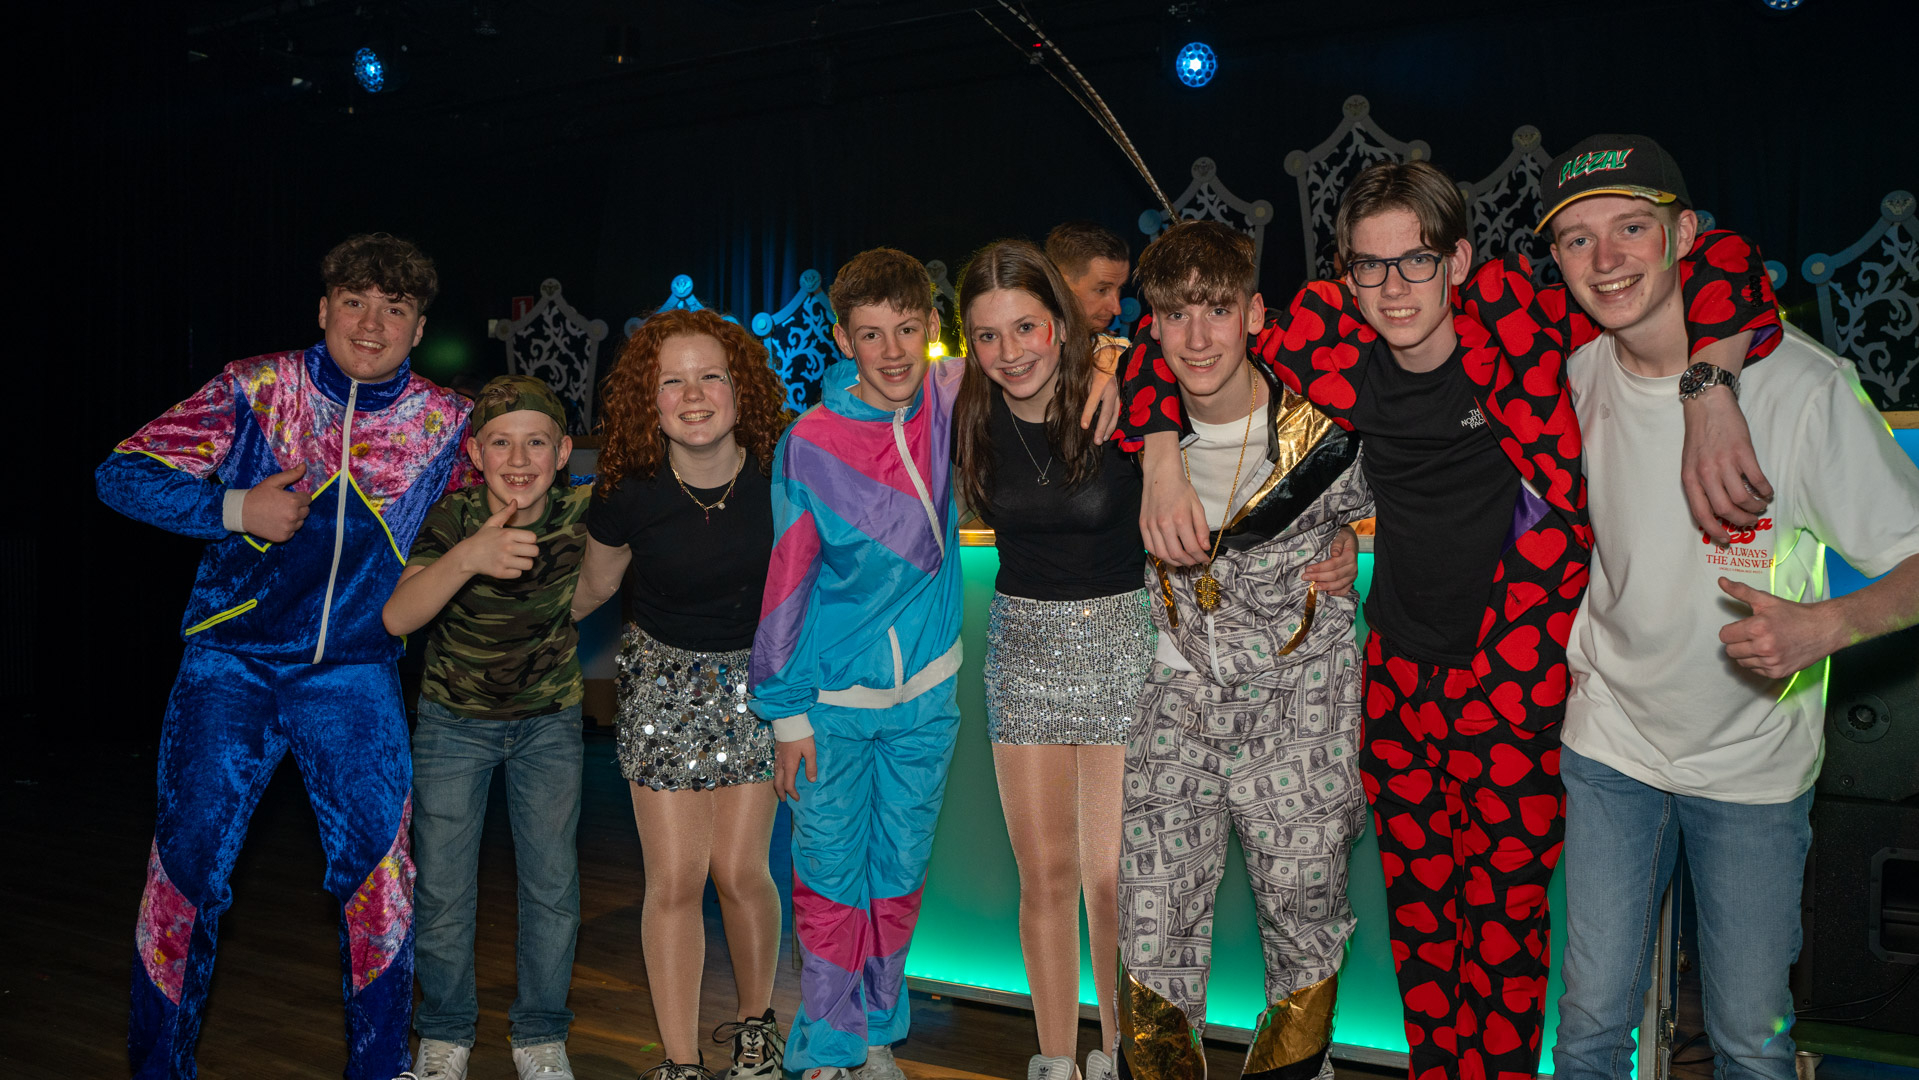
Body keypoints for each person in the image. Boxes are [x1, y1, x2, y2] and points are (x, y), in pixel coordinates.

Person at [1114, 164, 1782, 1080]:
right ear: (1346, 275)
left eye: (1416, 261)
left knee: (1503, 936)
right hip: (1397, 684)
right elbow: (1174, 342)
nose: (1393, 287)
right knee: (1422, 934)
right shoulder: (1327, 336)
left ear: (1459, 260)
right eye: (1370, 266)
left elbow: (1725, 263)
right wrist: (1157, 458)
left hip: (1512, 686)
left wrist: (1709, 386)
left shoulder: (1522, 322)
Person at [1528, 134, 1919, 1080]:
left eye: (1631, 227)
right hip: (1610, 741)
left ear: (1685, 235)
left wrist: (1824, 627)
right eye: (1577, 239)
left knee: (1748, 1037)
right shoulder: (1574, 375)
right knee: (1587, 1026)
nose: (1605, 258)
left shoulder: (1803, 390)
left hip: (1750, 763)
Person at [96, 233, 474, 1080]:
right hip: (228, 667)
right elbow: (120, 474)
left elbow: (518, 483)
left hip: (354, 673)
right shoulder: (256, 387)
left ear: (419, 328)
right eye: (355, 302)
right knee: (186, 869)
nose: (371, 324)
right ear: (323, 308)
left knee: (380, 883)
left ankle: (379, 1069)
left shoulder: (445, 422)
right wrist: (235, 509)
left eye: (394, 309)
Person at [1112, 221, 1372, 1080]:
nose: (1196, 337)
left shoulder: (1330, 431)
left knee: (1305, 906)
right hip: (1176, 700)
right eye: (1175, 315)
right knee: (1152, 922)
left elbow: (1423, 498)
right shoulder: (1129, 430)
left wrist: (1353, 546)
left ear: (1256, 314)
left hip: (1302, 700)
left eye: (1217, 310)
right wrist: (1157, 453)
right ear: (1152, 325)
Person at [568, 309, 793, 1080]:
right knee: (673, 882)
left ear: (740, 389)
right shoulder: (627, 491)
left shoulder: (782, 478)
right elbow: (590, 589)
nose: (693, 395)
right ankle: (679, 1062)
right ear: (650, 399)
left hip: (759, 686)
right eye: (673, 381)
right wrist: (511, 632)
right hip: (661, 686)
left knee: (740, 872)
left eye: (710, 377)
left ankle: (757, 1030)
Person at [953, 239, 1154, 1080]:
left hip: (1120, 640)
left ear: (1061, 324)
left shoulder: (1128, 393)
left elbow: (1213, 352)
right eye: (987, 335)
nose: (1008, 352)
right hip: (1022, 647)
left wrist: (1117, 359)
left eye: (1026, 327)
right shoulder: (965, 410)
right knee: (1044, 875)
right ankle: (1054, 1060)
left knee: (1109, 879)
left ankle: (1118, 1056)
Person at [378, 375, 589, 1080]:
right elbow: (398, 616)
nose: (519, 459)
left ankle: (541, 1036)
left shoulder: (584, 512)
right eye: (501, 443)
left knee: (552, 886)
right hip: (453, 724)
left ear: (563, 453)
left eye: (537, 443)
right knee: (441, 886)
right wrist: (468, 557)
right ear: (474, 453)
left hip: (549, 723)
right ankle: (444, 1035)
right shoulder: (453, 517)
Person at [1044, 221, 1131, 334]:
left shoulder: (1110, 343)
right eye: (1102, 290)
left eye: (1120, 288)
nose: (1116, 309)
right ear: (1061, 284)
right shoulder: (1029, 341)